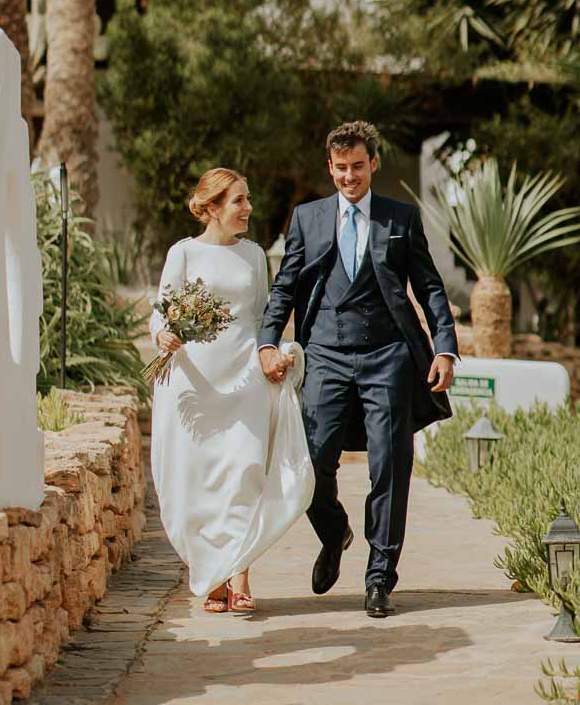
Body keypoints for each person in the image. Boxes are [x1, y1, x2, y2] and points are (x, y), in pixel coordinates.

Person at [257, 120, 459, 618]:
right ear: (330, 168)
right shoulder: (308, 218)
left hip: (387, 357)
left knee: (390, 466)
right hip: (324, 354)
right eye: (341, 169)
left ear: (374, 164)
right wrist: (267, 341)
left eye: (358, 167)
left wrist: (445, 348)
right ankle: (334, 532)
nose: (349, 177)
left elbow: (430, 287)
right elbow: (284, 287)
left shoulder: (400, 218)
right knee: (311, 465)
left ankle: (379, 578)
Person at [149, 167, 314, 614]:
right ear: (213, 207)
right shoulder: (182, 254)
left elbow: (263, 317)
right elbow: (160, 312)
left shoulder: (255, 255)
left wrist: (273, 353)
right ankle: (214, 576)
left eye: (247, 199)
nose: (248, 208)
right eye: (239, 200)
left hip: (244, 379)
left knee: (244, 472)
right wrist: (162, 336)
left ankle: (240, 574)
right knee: (201, 479)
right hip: (194, 382)